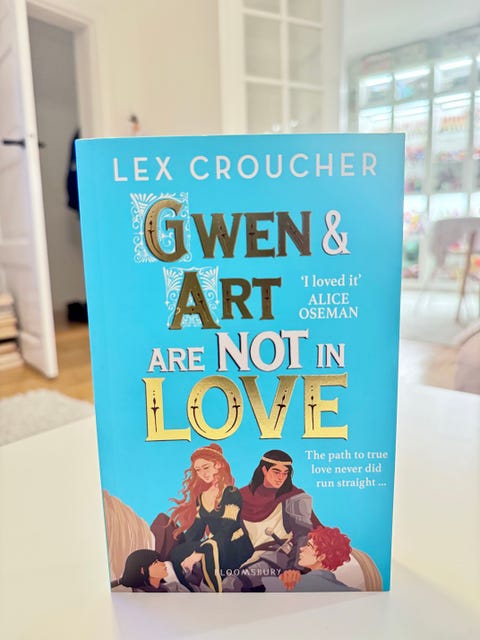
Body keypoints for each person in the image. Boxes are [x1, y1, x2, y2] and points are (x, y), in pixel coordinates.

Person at [168, 444, 254, 592]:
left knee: (207, 551)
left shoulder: (231, 493)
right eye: (198, 470)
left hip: (235, 546)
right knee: (178, 552)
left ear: (218, 465)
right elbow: (195, 532)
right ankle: (190, 591)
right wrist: (181, 547)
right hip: (216, 544)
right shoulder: (202, 497)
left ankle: (215, 593)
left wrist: (198, 552)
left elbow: (227, 530)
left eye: (206, 467)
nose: (202, 473)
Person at [239, 449, 320, 591]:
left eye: (285, 473)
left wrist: (294, 568)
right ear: (264, 469)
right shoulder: (242, 496)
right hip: (247, 555)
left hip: (281, 556)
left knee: (234, 583)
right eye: (276, 472)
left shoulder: (295, 498)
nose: (281, 478)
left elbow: (303, 534)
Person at [292, 525, 359, 591]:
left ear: (321, 557)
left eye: (309, 545)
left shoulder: (295, 585)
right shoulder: (352, 592)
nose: (301, 548)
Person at [119, 549, 190, 592]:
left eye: (159, 561)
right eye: (155, 562)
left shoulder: (175, 586)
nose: (163, 564)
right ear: (142, 570)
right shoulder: (138, 597)